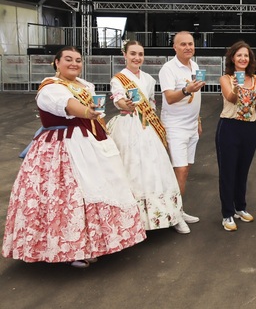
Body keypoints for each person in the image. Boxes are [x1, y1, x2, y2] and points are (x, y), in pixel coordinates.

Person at [2, 46, 146, 268]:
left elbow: (93, 112)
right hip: (61, 147)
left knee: (96, 191)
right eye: (68, 59)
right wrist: (87, 111)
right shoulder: (51, 88)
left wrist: (99, 113)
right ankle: (69, 249)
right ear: (56, 62)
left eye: (78, 60)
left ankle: (93, 243)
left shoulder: (85, 85)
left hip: (89, 143)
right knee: (67, 197)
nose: (74, 64)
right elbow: (71, 107)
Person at [107, 40, 190, 234]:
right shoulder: (118, 79)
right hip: (128, 126)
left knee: (158, 170)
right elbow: (118, 99)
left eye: (140, 54)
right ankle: (134, 221)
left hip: (148, 126)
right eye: (133, 54)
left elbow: (152, 104)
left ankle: (172, 214)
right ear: (125, 55)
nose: (137, 58)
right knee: (133, 169)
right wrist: (124, 104)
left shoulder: (149, 79)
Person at [158, 31, 206, 225]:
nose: (188, 47)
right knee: (181, 171)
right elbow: (169, 98)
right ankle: (175, 215)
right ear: (175, 47)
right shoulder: (168, 69)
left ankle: (178, 209)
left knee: (186, 169)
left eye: (191, 44)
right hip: (175, 127)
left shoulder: (194, 65)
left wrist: (199, 120)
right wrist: (187, 90)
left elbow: (197, 98)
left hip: (191, 126)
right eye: (183, 44)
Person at [216, 41, 256, 231]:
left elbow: (255, 104)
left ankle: (240, 208)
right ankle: (227, 214)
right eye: (239, 55)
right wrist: (238, 86)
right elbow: (232, 98)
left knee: (243, 171)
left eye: (246, 55)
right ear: (232, 58)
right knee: (228, 172)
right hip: (229, 127)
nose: (243, 58)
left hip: (249, 128)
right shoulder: (226, 78)